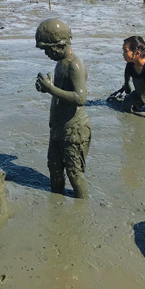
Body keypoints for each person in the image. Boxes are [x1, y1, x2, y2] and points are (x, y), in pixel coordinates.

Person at [35, 19, 91, 199]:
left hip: (74, 129)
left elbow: (80, 98)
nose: (46, 54)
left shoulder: (75, 65)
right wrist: (48, 88)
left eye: (47, 50)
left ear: (60, 45)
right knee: (55, 169)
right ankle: (56, 205)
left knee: (74, 173)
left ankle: (82, 207)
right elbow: (62, 92)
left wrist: (51, 89)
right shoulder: (60, 63)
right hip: (58, 127)